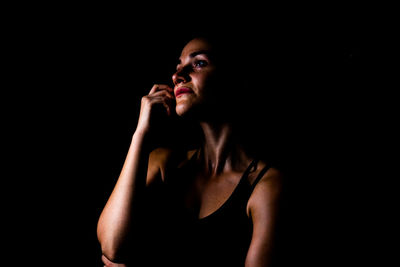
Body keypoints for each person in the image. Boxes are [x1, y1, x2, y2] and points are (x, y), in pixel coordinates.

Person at [97, 32, 285, 267]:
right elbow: (112, 245)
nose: (177, 76)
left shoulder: (267, 185)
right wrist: (141, 135)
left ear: (234, 79)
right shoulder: (163, 163)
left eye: (199, 63)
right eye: (179, 66)